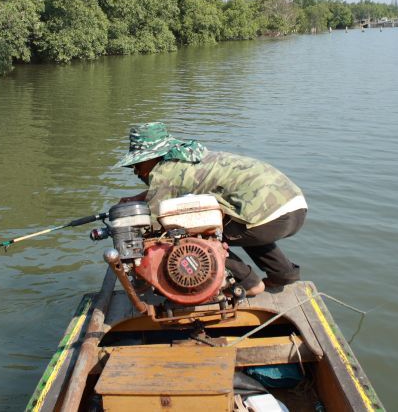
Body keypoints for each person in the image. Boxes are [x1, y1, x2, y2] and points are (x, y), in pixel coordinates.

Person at [116, 122, 307, 297]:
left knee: (186, 234)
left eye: (138, 165)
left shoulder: (164, 172)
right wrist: (138, 198)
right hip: (293, 206)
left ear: (154, 157)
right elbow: (173, 185)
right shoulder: (187, 155)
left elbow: (156, 225)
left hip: (266, 217)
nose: (137, 171)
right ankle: (283, 275)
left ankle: (248, 283)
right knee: (240, 222)